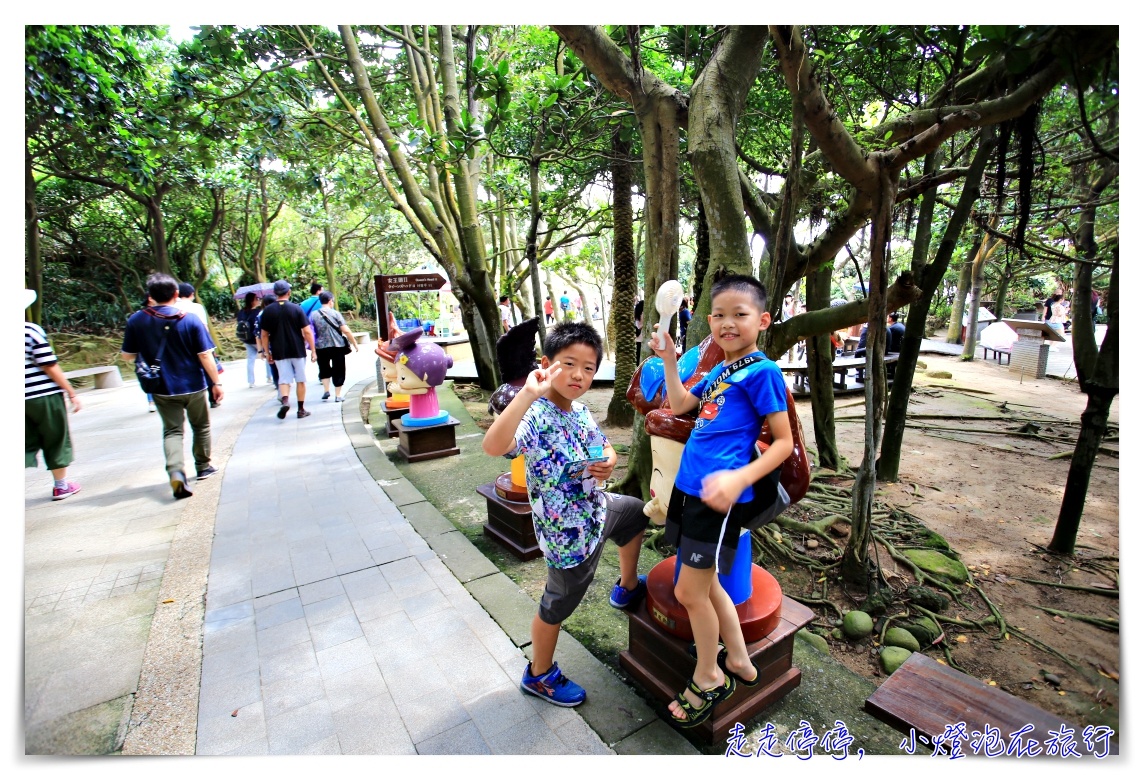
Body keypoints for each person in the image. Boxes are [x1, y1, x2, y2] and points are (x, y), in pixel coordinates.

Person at [648, 273, 793, 728]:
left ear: (763, 320)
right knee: (706, 585)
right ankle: (740, 661)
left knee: (687, 591)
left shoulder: (764, 371)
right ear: (707, 320)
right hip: (692, 490)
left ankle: (709, 675)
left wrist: (739, 481)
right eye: (719, 315)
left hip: (719, 500)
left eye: (740, 315)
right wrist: (671, 360)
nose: (728, 323)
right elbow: (677, 405)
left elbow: (784, 442)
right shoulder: (719, 370)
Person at [481, 322, 649, 707]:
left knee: (636, 513)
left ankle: (626, 588)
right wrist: (527, 393)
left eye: (588, 368)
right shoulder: (536, 415)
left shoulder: (580, 412)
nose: (579, 375)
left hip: (599, 509)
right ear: (546, 364)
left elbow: (605, 447)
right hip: (568, 537)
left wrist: (608, 462)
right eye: (569, 363)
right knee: (556, 606)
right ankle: (538, 674)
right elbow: (495, 446)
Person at [121, 273, 223, 499]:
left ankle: (176, 471)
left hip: (162, 387)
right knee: (201, 426)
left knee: (172, 431)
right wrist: (216, 383)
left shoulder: (136, 320)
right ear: (176, 294)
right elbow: (205, 355)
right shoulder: (189, 319)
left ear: (150, 296)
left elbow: (127, 356)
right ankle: (203, 466)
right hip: (193, 384)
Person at [25, 289, 83, 500]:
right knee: (56, 437)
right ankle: (61, 485)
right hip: (43, 396)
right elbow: (49, 365)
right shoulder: (29, 331)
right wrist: (71, 392)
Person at [259, 279, 317, 419]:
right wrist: (313, 350)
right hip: (297, 349)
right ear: (289, 292)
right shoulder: (296, 308)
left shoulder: (267, 311)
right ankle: (301, 409)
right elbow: (307, 331)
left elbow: (264, 335)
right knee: (300, 380)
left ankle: (285, 400)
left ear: (275, 293)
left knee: (284, 379)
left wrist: (267, 352)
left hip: (279, 350)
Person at [175, 283, 223, 407]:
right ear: (191, 294)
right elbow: (204, 328)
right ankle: (213, 398)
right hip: (198, 343)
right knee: (207, 368)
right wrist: (209, 346)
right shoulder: (196, 307)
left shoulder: (172, 307)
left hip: (180, 345)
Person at [310, 291, 359, 402]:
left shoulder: (313, 315)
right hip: (337, 345)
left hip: (320, 346)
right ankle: (338, 395)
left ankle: (326, 390)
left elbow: (310, 332)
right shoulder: (335, 314)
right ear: (330, 301)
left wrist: (312, 350)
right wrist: (354, 343)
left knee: (323, 368)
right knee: (339, 369)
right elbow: (345, 330)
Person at [236, 292, 262, 388]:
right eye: (257, 299)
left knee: (250, 360)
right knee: (267, 355)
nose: (258, 300)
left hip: (246, 339)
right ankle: (269, 377)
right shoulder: (257, 313)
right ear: (252, 301)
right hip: (257, 339)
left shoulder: (241, 312)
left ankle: (251, 382)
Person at [254, 293, 279, 387]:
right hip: (278, 345)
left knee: (274, 367)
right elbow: (259, 335)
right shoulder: (277, 313)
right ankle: (281, 387)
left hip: (269, 347)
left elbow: (258, 335)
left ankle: (279, 386)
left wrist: (261, 350)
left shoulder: (260, 315)